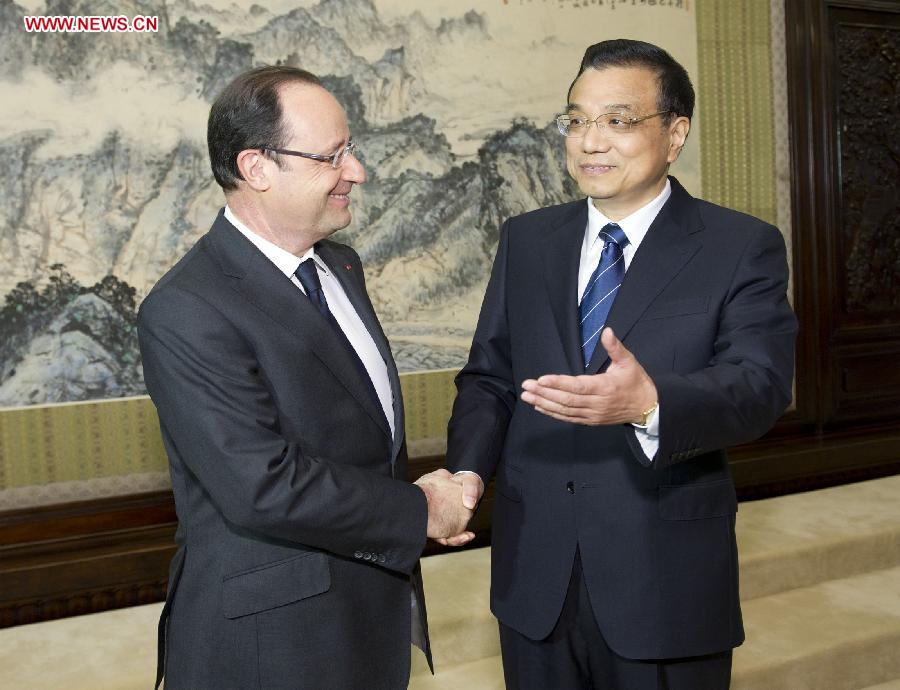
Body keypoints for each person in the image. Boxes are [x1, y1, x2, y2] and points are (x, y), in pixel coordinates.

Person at [446, 39, 797, 689]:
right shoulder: (528, 240)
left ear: (674, 133)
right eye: (576, 120)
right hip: (535, 574)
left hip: (664, 578)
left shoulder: (739, 246)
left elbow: (760, 384)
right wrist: (467, 469)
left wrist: (649, 403)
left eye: (618, 120)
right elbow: (491, 374)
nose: (589, 141)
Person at [138, 65, 474, 690]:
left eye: (351, 150)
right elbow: (260, 485)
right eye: (331, 156)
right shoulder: (187, 307)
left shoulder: (339, 266)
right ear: (256, 168)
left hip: (364, 615)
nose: (357, 171)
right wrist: (420, 509)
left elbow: (358, 437)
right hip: (272, 643)